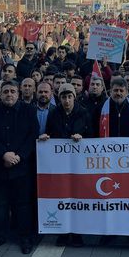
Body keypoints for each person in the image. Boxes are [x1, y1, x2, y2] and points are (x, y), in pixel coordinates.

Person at [0, 80, 39, 255]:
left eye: (13, 91)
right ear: (0, 94)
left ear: (18, 93)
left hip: (21, 168)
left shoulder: (29, 111)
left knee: (22, 205)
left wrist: (19, 156)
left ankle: (25, 237)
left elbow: (32, 135)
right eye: (6, 91)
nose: (9, 94)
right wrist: (3, 154)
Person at [39, 83, 92, 248]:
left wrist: (82, 136)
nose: (67, 100)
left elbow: (91, 135)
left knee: (77, 198)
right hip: (60, 165)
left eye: (69, 97)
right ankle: (63, 232)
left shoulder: (83, 112)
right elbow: (50, 132)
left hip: (78, 164)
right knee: (62, 197)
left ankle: (77, 234)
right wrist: (46, 138)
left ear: (74, 98)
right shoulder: (54, 113)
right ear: (59, 98)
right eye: (63, 97)